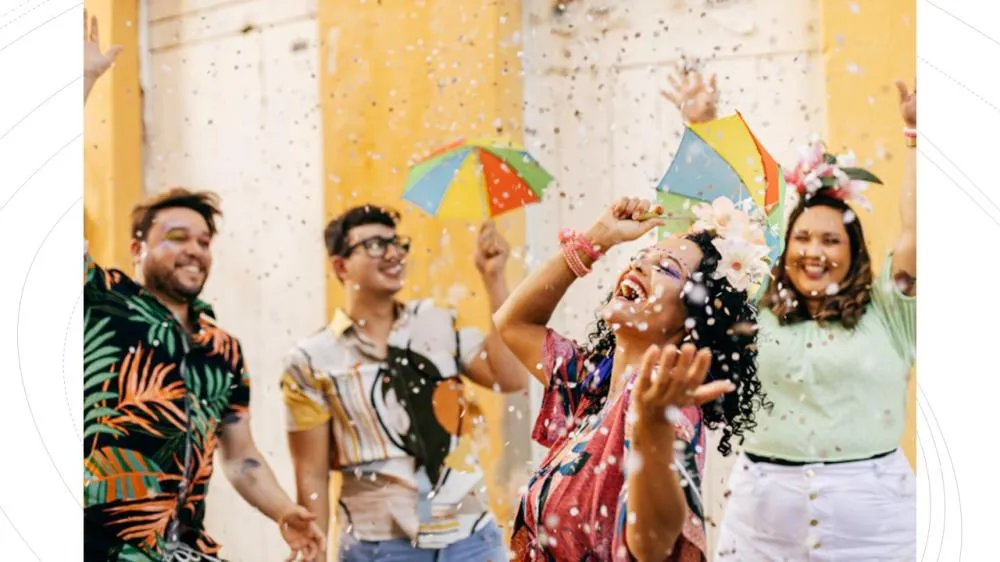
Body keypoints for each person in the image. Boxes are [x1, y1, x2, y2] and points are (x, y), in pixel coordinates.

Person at [495, 74, 774, 556]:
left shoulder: (669, 410)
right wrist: (597, 239)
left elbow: (652, 545)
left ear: (691, 320)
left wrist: (651, 430)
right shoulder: (594, 386)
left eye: (664, 268)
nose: (638, 264)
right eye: (643, 256)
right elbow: (513, 324)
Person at [82, 14, 324, 562]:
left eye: (203, 240)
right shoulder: (102, 302)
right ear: (138, 248)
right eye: (176, 237)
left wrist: (284, 512)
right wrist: (84, 84)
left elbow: (240, 455)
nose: (194, 249)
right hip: (100, 546)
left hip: (184, 549)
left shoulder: (223, 349)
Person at [713, 80, 917, 559]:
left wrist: (915, 136)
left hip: (876, 521)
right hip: (759, 523)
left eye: (831, 240)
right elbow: (719, 227)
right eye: (802, 238)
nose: (814, 251)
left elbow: (915, 231)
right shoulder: (756, 307)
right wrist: (706, 123)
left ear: (854, 252)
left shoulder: (890, 310)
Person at [281, 205, 530, 561]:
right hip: (380, 547)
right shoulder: (312, 359)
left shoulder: (435, 321)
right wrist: (314, 552)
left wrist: (493, 277)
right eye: (375, 245)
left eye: (397, 243)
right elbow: (312, 473)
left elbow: (511, 377)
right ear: (340, 266)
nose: (393, 253)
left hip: (471, 540)